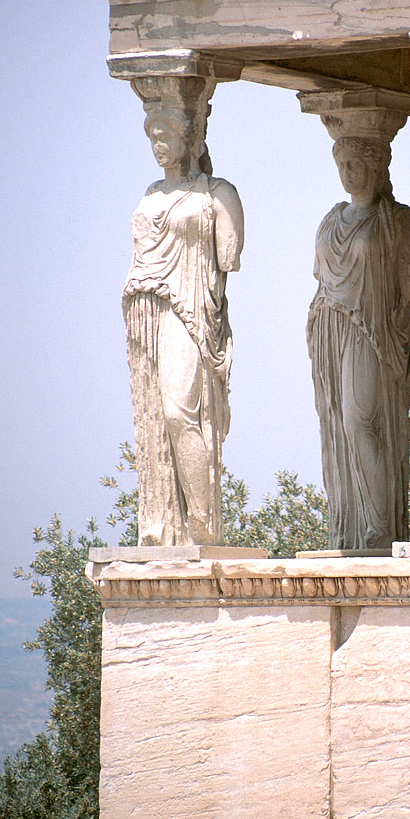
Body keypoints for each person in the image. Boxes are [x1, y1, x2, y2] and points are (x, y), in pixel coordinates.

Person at [123, 86, 244, 545]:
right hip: (146, 310)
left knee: (179, 411)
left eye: (166, 133)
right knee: (154, 415)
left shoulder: (218, 194)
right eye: (152, 134)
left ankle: (204, 520)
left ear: (190, 136)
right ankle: (164, 524)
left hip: (191, 310)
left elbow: (229, 257)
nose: (157, 143)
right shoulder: (150, 193)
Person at [308, 137, 410, 549]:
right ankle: (351, 527)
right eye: (342, 163)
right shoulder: (330, 220)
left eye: (355, 163)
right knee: (339, 424)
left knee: (361, 421)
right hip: (330, 329)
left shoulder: (399, 221)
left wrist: (405, 328)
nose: (347, 172)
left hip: (372, 334)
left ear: (378, 167)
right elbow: (320, 278)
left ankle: (380, 524)